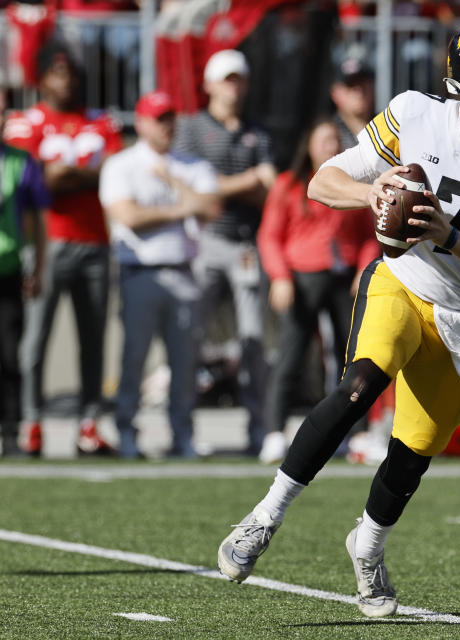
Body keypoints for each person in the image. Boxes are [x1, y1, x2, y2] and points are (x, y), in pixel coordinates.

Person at [217, 16, 460, 617]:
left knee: (413, 449)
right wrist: (374, 193)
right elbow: (323, 182)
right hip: (402, 283)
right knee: (362, 381)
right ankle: (264, 516)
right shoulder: (417, 114)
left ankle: (369, 546)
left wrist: (449, 234)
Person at [4, 41, 122, 457]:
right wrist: (80, 175)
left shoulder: (100, 121)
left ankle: (88, 423)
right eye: (57, 72)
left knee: (93, 340)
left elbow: (112, 173)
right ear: (41, 80)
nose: (67, 80)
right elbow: (36, 181)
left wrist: (67, 175)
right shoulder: (26, 122)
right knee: (36, 339)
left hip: (94, 241)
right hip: (48, 241)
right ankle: (32, 421)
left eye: (72, 72)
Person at [98, 91, 221, 459]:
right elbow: (129, 217)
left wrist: (174, 186)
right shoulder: (121, 164)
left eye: (169, 117)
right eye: (157, 118)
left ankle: (182, 435)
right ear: (140, 122)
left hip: (184, 272)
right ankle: (127, 432)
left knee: (184, 365)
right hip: (140, 273)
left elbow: (212, 206)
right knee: (133, 359)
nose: (166, 125)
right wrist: (182, 208)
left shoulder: (189, 166)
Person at [172, 49, 276, 456]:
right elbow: (197, 189)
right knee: (189, 336)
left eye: (239, 79)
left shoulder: (258, 131)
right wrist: (247, 180)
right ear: (210, 84)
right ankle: (183, 428)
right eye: (227, 79)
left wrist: (222, 185)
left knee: (253, 339)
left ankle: (259, 428)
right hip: (204, 242)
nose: (234, 87)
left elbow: (268, 189)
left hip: (246, 242)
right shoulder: (192, 129)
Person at [256, 118, 377, 465]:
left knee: (354, 357)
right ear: (308, 145)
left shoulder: (352, 184)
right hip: (302, 278)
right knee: (291, 356)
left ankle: (357, 435)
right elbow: (269, 237)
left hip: (344, 278)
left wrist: (364, 269)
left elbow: (369, 235)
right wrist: (279, 277)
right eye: (323, 139)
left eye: (335, 140)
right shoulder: (289, 185)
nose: (330, 146)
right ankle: (275, 432)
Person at [0, 87, 49, 457]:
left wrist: (38, 266)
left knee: (9, 357)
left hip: (8, 270)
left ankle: (12, 433)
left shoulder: (20, 161)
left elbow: (37, 221)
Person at [330, 58, 376, 153]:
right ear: (335, 93)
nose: (359, 91)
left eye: (362, 83)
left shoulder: (389, 125)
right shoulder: (328, 134)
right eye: (350, 85)